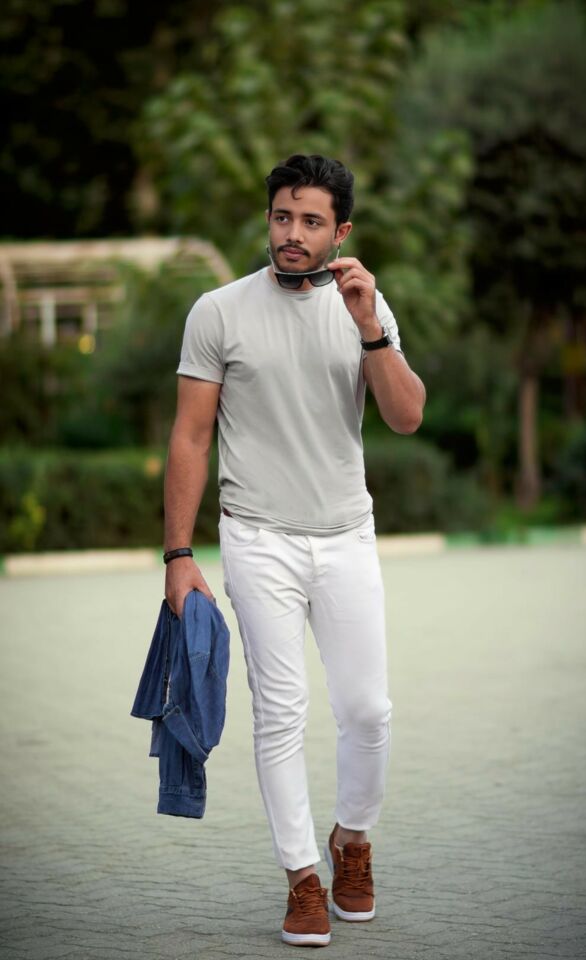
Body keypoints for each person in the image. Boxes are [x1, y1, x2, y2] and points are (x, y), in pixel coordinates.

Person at [163, 154, 426, 947]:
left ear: (341, 232)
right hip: (257, 537)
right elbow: (190, 436)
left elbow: (407, 416)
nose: (293, 233)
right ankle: (302, 878)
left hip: (347, 535)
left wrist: (371, 324)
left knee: (368, 710)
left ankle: (353, 841)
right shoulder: (219, 310)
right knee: (280, 712)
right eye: (283, 216)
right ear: (268, 219)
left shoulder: (366, 306)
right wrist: (178, 555)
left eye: (312, 221)